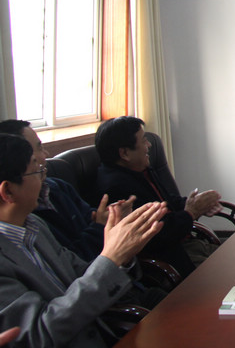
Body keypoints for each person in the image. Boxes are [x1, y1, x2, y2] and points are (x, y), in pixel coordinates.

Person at [0, 133, 167, 348]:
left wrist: (123, 254)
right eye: (36, 171)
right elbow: (40, 333)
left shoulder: (34, 225)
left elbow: (80, 272)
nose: (44, 179)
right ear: (8, 191)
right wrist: (110, 258)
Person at [94, 117, 221, 277]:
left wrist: (196, 203)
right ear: (125, 153)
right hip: (172, 259)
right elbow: (157, 234)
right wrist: (191, 212)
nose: (149, 145)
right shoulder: (116, 189)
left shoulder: (140, 169)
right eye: (143, 140)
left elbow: (168, 203)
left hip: (187, 244)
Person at [0, 119, 135, 261]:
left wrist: (110, 215)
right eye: (38, 149)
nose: (46, 154)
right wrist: (100, 226)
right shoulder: (24, 217)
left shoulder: (57, 187)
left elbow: (90, 216)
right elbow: (73, 263)